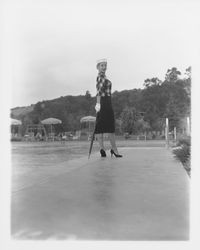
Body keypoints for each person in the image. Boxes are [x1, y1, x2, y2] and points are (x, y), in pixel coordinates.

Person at [94, 59, 122, 158]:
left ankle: (113, 149)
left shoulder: (105, 77)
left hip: (108, 101)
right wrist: (98, 104)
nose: (104, 67)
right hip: (102, 102)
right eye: (102, 65)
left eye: (105, 65)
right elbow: (98, 92)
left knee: (110, 126)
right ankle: (103, 149)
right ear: (98, 67)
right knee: (100, 126)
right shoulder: (99, 77)